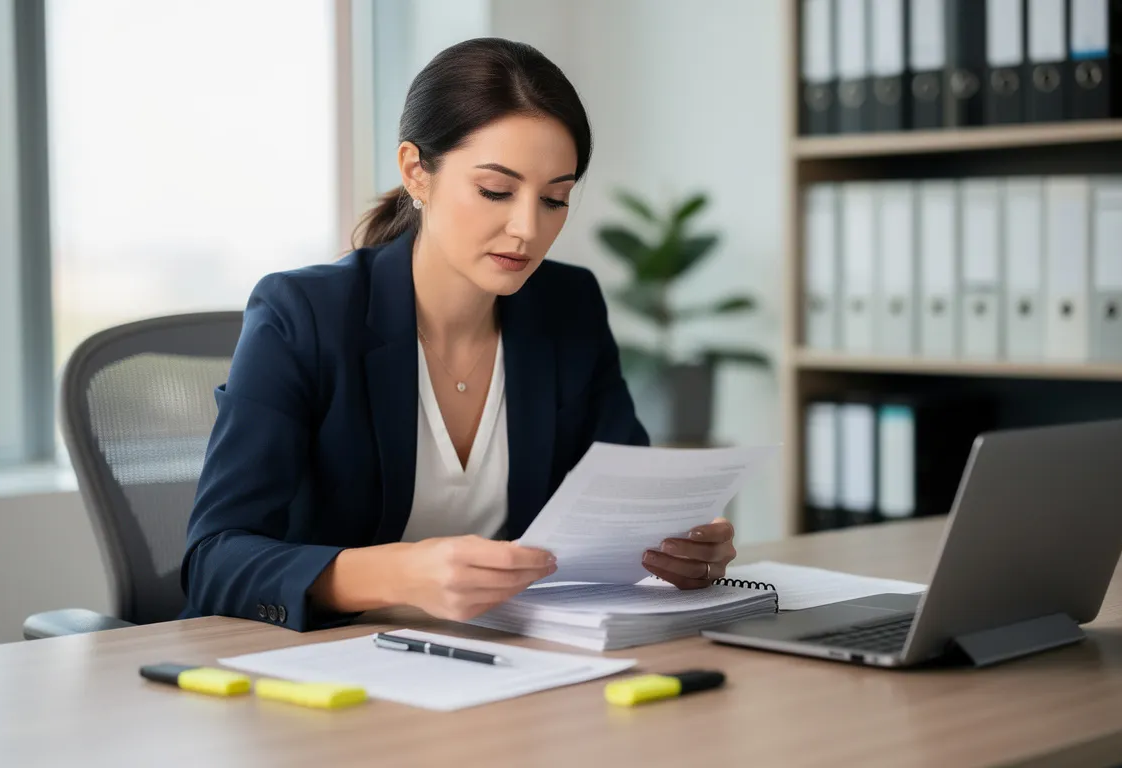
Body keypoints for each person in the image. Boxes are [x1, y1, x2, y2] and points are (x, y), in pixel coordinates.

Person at [180, 38, 738, 632]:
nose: (527, 228)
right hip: (324, 672)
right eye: (496, 191)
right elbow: (214, 560)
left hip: (507, 662)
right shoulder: (304, 314)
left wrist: (677, 548)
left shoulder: (567, 308)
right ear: (417, 172)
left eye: (555, 198)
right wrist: (399, 574)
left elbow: (625, 507)